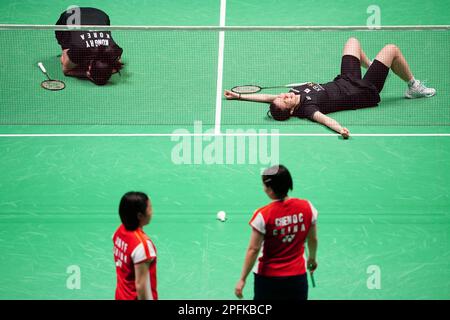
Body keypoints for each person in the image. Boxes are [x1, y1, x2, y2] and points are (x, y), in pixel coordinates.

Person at [224, 37, 436, 138]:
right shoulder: (307, 108)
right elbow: (325, 120)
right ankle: (412, 87)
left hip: (346, 79)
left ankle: (377, 67)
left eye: (281, 95)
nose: (284, 95)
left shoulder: (290, 97)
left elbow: (267, 98)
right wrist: (340, 129)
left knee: (352, 42)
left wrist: (239, 96)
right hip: (365, 91)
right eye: (285, 99)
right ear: (290, 110)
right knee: (392, 48)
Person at [235, 165, 318, 300]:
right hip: (297, 277)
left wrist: (242, 279)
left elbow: (253, 249)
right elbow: (313, 239)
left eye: (265, 186)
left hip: (268, 279)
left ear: (270, 190)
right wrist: (312, 258)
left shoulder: (263, 215)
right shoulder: (308, 207)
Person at [55, 7, 123, 85]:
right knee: (66, 49)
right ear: (89, 67)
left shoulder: (113, 50)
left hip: (100, 14)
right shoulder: (78, 50)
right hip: (70, 16)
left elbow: (118, 65)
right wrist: (86, 74)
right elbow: (66, 69)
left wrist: (88, 74)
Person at [113, 191, 158, 300]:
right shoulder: (142, 246)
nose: (152, 212)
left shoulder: (120, 231)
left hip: (121, 296)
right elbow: (141, 286)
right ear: (140, 215)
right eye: (150, 208)